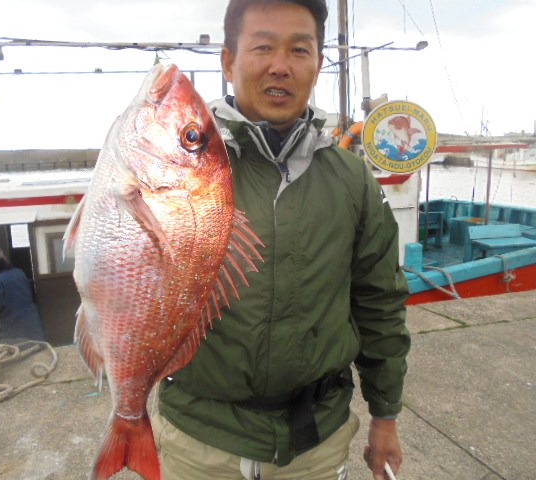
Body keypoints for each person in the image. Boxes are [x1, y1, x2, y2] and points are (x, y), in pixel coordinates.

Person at [153, 1, 411, 479]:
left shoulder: (352, 177)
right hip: (198, 439)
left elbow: (378, 301)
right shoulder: (175, 167)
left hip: (314, 442)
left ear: (318, 64)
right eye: (263, 47)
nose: (280, 65)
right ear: (228, 62)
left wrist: (385, 414)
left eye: (299, 50)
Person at [0, 247, 46, 342]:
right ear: (5, 259)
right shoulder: (19, 273)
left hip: (14, 327)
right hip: (32, 322)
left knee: (19, 350)